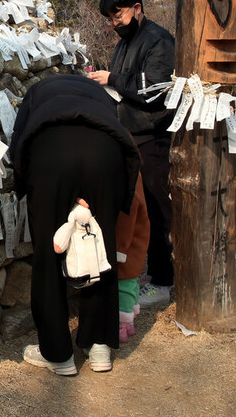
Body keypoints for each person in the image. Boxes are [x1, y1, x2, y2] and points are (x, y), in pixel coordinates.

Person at [10, 75, 141, 375]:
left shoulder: (37, 91)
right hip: (106, 153)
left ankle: (58, 355)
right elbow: (124, 135)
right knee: (102, 250)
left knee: (49, 252)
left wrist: (26, 189)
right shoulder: (101, 94)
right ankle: (99, 348)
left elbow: (19, 141)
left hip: (51, 151)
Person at [87, 0, 176, 308]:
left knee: (154, 208)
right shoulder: (125, 43)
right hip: (128, 135)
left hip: (151, 136)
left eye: (118, 14)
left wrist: (111, 79)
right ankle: (142, 271)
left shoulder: (158, 40)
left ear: (137, 7)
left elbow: (155, 89)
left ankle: (163, 280)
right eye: (110, 17)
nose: (115, 22)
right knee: (134, 210)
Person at [116, 173, 150, 343]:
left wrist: (119, 248)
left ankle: (122, 325)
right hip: (134, 243)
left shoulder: (128, 178)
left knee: (124, 285)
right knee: (131, 284)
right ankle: (129, 321)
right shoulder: (134, 173)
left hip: (127, 246)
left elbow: (126, 217)